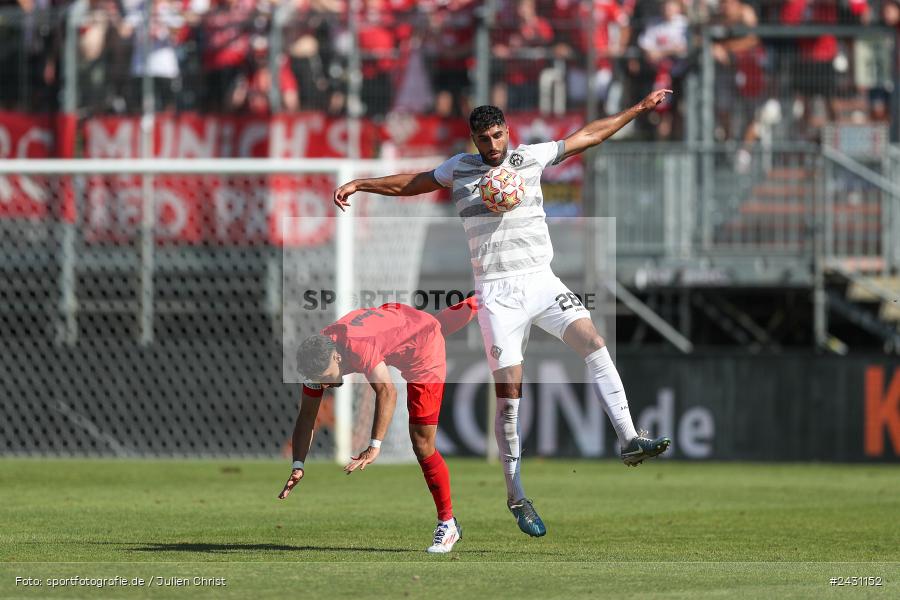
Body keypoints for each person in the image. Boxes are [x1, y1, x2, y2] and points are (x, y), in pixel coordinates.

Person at [332, 90, 673, 538]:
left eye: (497, 135)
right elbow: (414, 182)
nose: (492, 145)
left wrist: (637, 109)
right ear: (473, 139)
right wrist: (363, 183)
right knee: (510, 398)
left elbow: (587, 137)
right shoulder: (460, 168)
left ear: (507, 131)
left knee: (593, 341)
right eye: (483, 139)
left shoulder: (530, 158)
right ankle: (516, 495)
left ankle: (629, 439)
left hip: (542, 280)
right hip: (496, 295)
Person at [278, 297, 478, 553]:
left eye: (326, 378)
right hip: (401, 323)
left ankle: (447, 523)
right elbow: (306, 417)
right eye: (319, 381)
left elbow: (387, 392)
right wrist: (298, 464)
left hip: (422, 351)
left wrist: (374, 446)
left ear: (337, 357)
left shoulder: (356, 346)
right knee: (437, 321)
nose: (324, 385)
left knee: (422, 443)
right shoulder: (318, 357)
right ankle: (483, 297)